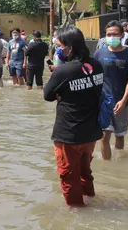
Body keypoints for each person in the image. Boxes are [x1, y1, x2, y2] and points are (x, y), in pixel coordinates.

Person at [44, 26, 104, 207]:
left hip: (69, 134)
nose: (57, 49)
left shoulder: (62, 71)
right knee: (85, 172)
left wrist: (61, 87)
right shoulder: (96, 65)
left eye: (59, 45)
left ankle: (78, 214)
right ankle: (91, 199)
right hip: (91, 132)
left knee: (69, 177)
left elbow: (48, 96)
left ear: (69, 48)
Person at [94, 20, 128, 160]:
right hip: (104, 103)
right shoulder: (98, 54)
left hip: (122, 102)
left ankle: (120, 158)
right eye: (109, 34)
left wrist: (123, 99)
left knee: (119, 136)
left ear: (122, 35)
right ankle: (107, 166)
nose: (112, 37)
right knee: (104, 136)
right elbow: (95, 78)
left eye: (115, 34)